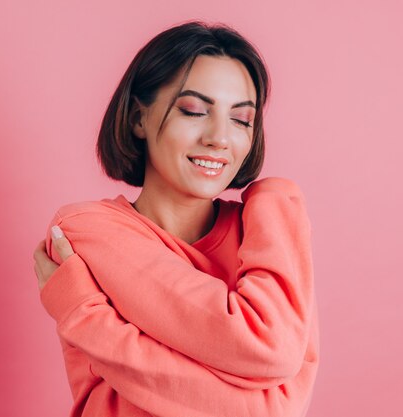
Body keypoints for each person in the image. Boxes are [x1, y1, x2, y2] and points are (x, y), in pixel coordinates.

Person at [32, 20, 319, 417]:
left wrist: (85, 316)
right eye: (194, 111)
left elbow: (280, 401)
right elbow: (263, 368)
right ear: (138, 119)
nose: (219, 137)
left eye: (241, 119)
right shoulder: (87, 230)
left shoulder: (265, 229)